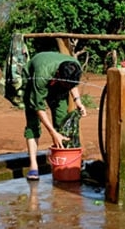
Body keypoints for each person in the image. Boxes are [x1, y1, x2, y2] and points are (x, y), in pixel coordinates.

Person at [22, 51, 87, 180]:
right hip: (32, 81)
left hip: (57, 86)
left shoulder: (75, 67)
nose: (70, 86)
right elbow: (39, 108)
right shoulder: (42, 75)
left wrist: (78, 101)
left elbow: (72, 84)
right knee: (33, 124)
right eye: (67, 84)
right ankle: (34, 167)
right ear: (58, 75)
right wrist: (53, 133)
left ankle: (64, 161)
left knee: (62, 121)